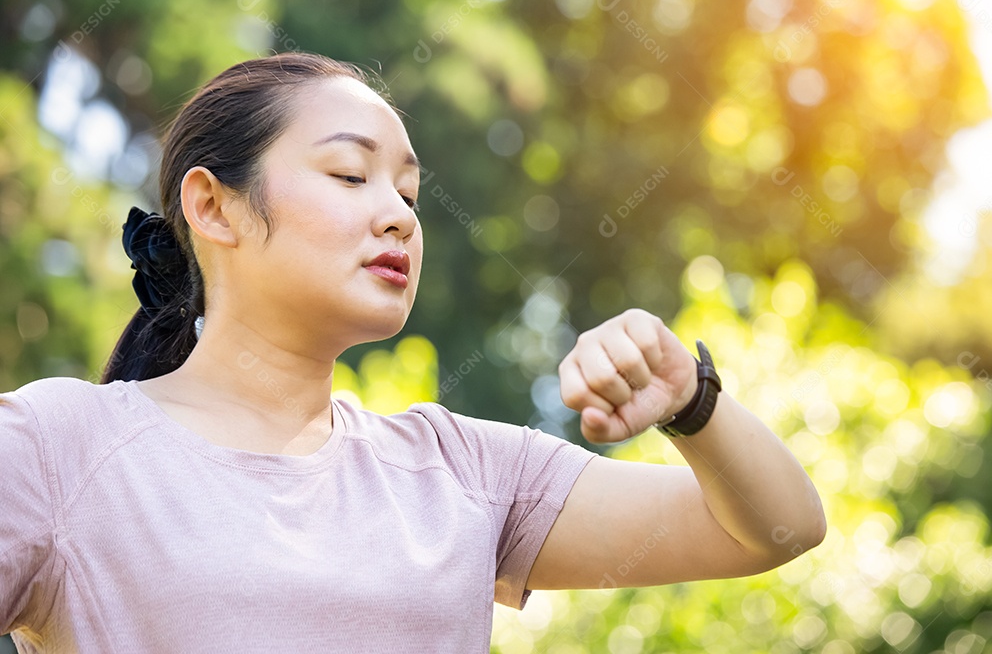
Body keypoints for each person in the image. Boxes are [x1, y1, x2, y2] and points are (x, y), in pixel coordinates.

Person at [0, 51, 826, 651]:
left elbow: (774, 529)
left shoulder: (463, 473)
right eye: (352, 176)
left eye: (409, 191)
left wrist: (693, 400)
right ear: (214, 208)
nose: (398, 214)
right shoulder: (56, 448)